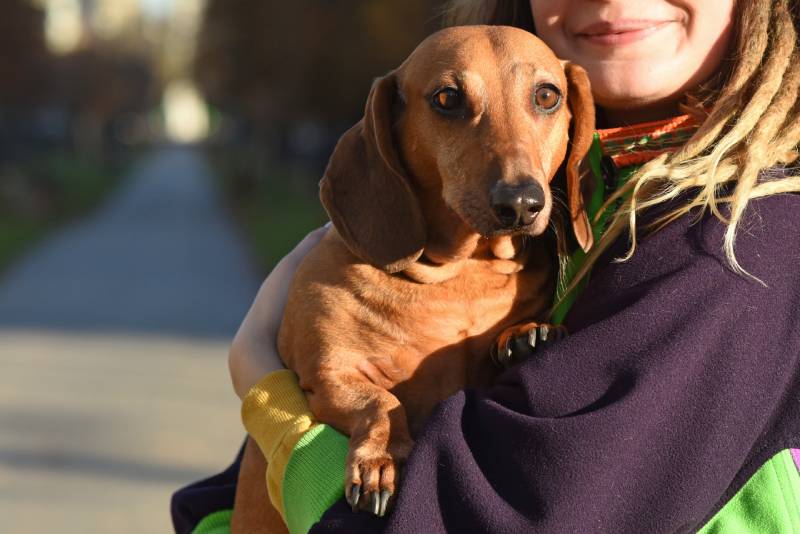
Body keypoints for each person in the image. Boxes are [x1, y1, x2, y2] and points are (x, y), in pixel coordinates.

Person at [173, 0, 800, 532]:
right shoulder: (594, 202)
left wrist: (264, 386)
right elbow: (229, 500)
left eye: (544, 99)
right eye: (451, 102)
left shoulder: (742, 245)